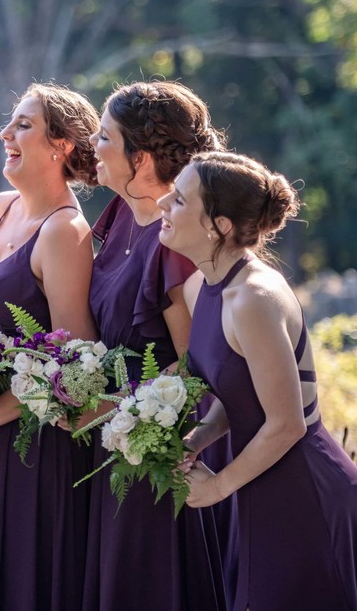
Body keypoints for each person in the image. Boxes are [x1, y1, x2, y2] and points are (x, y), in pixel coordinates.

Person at [164, 151, 357, 611]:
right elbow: (240, 393)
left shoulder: (252, 298)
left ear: (220, 225)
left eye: (178, 200)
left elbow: (287, 423)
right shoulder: (204, 287)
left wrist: (216, 486)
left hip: (302, 491)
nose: (162, 208)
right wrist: (196, 439)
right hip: (258, 485)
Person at [0, 83, 98, 611]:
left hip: (32, 443)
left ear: (62, 146)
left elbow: (76, 361)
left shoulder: (64, 232)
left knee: (25, 580)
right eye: (11, 122)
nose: (5, 133)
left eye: (23, 125)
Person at [83, 81, 229, 611]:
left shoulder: (179, 238)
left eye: (104, 137)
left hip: (157, 448)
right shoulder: (123, 213)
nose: (92, 146)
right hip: (116, 435)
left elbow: (199, 365)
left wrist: (140, 420)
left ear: (139, 158)